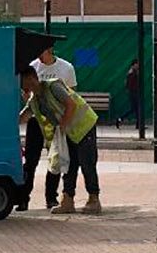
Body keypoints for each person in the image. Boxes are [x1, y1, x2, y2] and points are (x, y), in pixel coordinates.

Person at [19, 66, 101, 215]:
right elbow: (23, 116)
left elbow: (71, 104)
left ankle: (94, 199)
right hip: (68, 133)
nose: (20, 85)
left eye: (22, 81)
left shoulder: (52, 86)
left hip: (84, 126)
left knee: (87, 163)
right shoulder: (34, 101)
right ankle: (67, 200)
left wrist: (62, 125)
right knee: (68, 165)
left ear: (31, 79)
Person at [19, 45, 78, 211]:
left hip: (56, 123)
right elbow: (28, 102)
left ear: (50, 50)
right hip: (37, 121)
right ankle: (23, 198)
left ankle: (51, 197)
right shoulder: (33, 67)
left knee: (56, 160)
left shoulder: (65, 68)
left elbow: (72, 96)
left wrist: (64, 124)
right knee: (30, 161)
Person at [116, 59, 140, 129]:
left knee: (136, 109)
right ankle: (120, 119)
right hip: (133, 93)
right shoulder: (131, 73)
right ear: (134, 65)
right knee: (135, 109)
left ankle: (138, 125)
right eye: (137, 64)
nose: (138, 65)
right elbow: (129, 84)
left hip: (134, 92)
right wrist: (131, 91)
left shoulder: (134, 72)